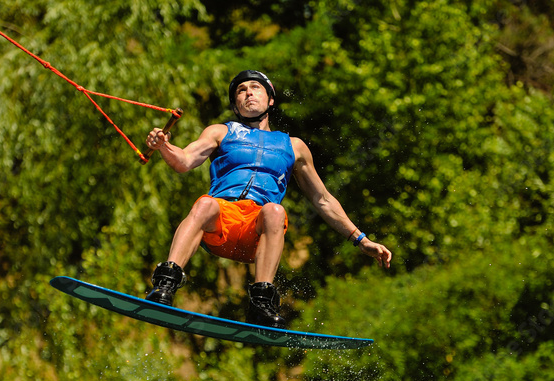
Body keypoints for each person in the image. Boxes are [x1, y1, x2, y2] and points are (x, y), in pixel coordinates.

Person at [143, 70, 392, 329]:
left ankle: (262, 304)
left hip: (258, 232)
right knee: (205, 202)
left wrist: (361, 240)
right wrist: (164, 146)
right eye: (241, 90)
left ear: (270, 100)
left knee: (274, 210)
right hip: (221, 225)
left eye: (255, 87)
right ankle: (166, 284)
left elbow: (323, 199)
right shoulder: (220, 132)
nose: (248, 92)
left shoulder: (294, 146)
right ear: (235, 104)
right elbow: (183, 161)